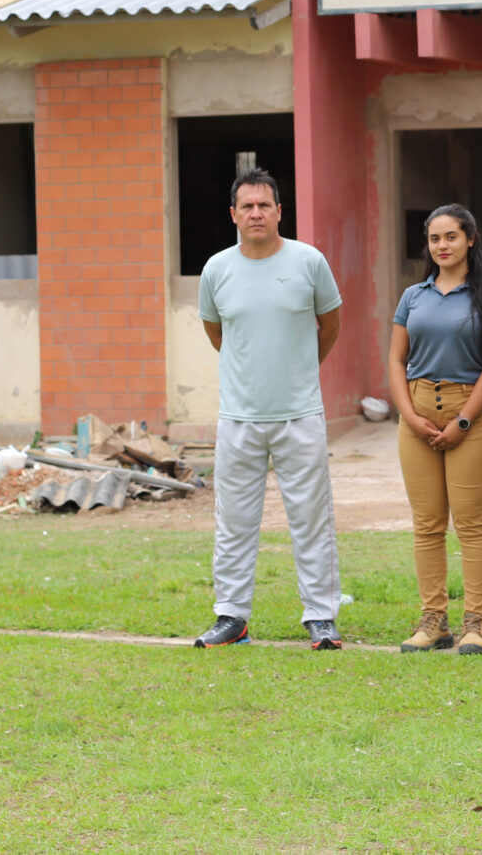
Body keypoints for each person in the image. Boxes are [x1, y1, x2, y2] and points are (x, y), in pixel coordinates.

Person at [193, 168, 345, 650]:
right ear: (233, 214)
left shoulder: (309, 262)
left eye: (265, 205)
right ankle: (231, 617)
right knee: (233, 522)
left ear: (280, 211)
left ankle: (321, 617)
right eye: (247, 206)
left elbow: (330, 325)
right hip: (238, 418)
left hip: (299, 415)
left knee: (311, 520)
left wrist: (296, 372)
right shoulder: (217, 269)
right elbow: (218, 333)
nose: (256, 213)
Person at [387, 203, 482, 655]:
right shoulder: (413, 296)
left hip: (469, 416)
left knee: (472, 524)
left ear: (470, 240)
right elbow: (396, 360)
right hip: (416, 415)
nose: (442, 246)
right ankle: (433, 621)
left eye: (451, 237)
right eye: (435, 238)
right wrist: (410, 415)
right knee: (427, 525)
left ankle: (476, 623)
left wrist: (463, 421)